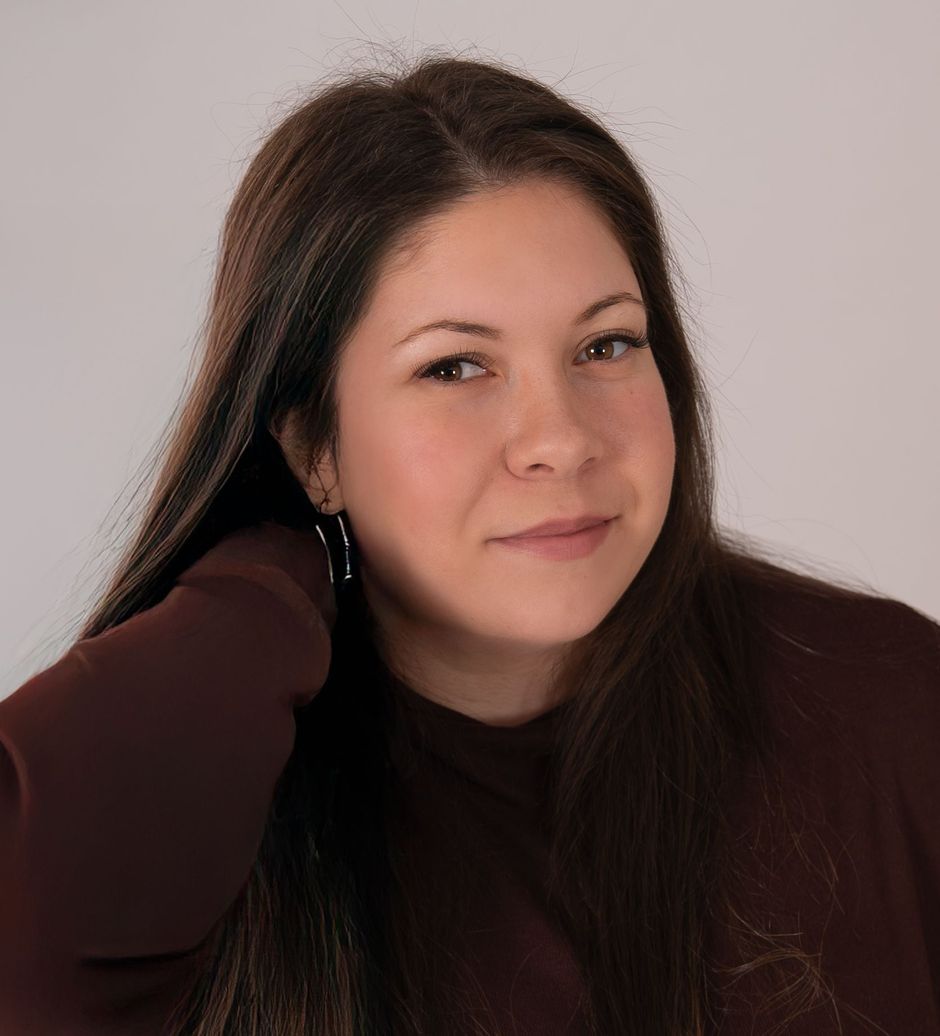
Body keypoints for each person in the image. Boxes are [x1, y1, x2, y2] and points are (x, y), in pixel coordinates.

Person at [1, 51, 938, 1036]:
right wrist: (264, 584)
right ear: (312, 441)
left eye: (605, 345)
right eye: (455, 366)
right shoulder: (210, 782)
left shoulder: (891, 707)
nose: (561, 439)